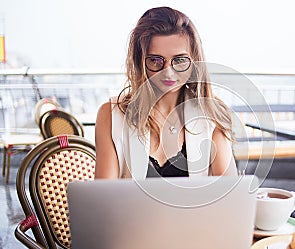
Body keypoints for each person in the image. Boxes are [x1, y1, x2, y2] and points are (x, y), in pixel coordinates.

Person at [95, 6, 237, 179]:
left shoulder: (212, 116)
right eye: (156, 60)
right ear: (140, 62)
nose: (168, 72)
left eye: (180, 60)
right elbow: (104, 199)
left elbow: (230, 196)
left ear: (194, 62)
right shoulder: (111, 115)